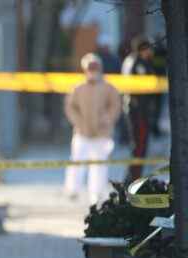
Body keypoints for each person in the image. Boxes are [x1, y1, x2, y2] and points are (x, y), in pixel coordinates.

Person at [63, 53, 121, 204]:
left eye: (95, 67)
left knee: (99, 165)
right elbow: (70, 107)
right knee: (76, 161)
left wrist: (107, 119)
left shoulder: (109, 87)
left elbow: (115, 106)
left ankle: (96, 193)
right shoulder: (78, 88)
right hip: (82, 133)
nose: (93, 70)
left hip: (102, 134)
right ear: (84, 69)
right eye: (90, 67)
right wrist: (78, 122)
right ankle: (73, 190)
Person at [122, 36, 156, 181]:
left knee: (139, 147)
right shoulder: (138, 63)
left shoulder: (132, 61)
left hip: (138, 110)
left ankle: (133, 177)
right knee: (139, 147)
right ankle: (132, 179)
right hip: (138, 112)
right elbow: (136, 88)